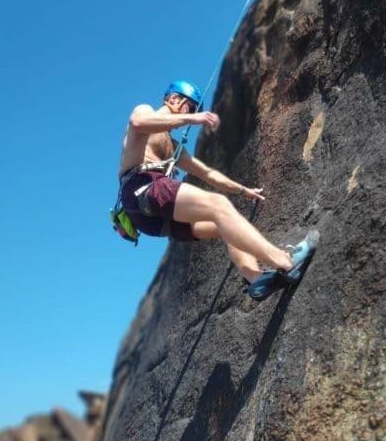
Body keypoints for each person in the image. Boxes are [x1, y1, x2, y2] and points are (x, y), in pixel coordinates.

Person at [117, 80, 319, 301]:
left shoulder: (172, 147)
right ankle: (285, 261)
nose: (190, 114)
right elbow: (138, 122)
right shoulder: (145, 111)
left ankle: (256, 279)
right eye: (190, 106)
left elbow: (207, 174)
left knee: (226, 225)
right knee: (219, 205)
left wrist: (243, 190)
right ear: (174, 99)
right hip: (141, 187)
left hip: (153, 221)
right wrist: (193, 118)